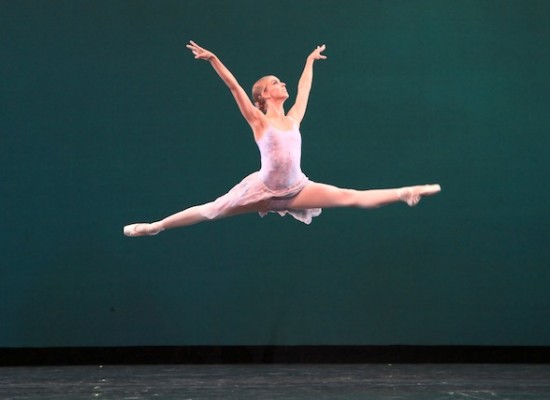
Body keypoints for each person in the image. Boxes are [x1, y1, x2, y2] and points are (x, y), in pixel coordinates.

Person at [123, 41, 440, 237]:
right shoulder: (258, 120)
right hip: (262, 191)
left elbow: (304, 89)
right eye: (276, 82)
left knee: (349, 196)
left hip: (296, 189)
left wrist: (309, 62)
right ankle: (156, 226)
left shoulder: (292, 119)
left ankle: (404, 192)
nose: (282, 83)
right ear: (263, 94)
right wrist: (213, 59)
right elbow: (235, 88)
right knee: (212, 210)